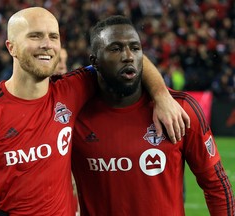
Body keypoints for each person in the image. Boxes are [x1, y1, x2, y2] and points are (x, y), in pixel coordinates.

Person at [0, 7, 190, 216]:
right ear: (11, 47)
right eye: (35, 36)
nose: (47, 44)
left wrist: (161, 95)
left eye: (53, 36)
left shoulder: (70, 90)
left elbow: (128, 56)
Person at [71, 15, 235, 215]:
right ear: (94, 62)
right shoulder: (73, 116)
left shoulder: (180, 109)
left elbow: (216, 186)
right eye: (115, 49)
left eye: (135, 48)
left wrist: (160, 94)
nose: (128, 56)